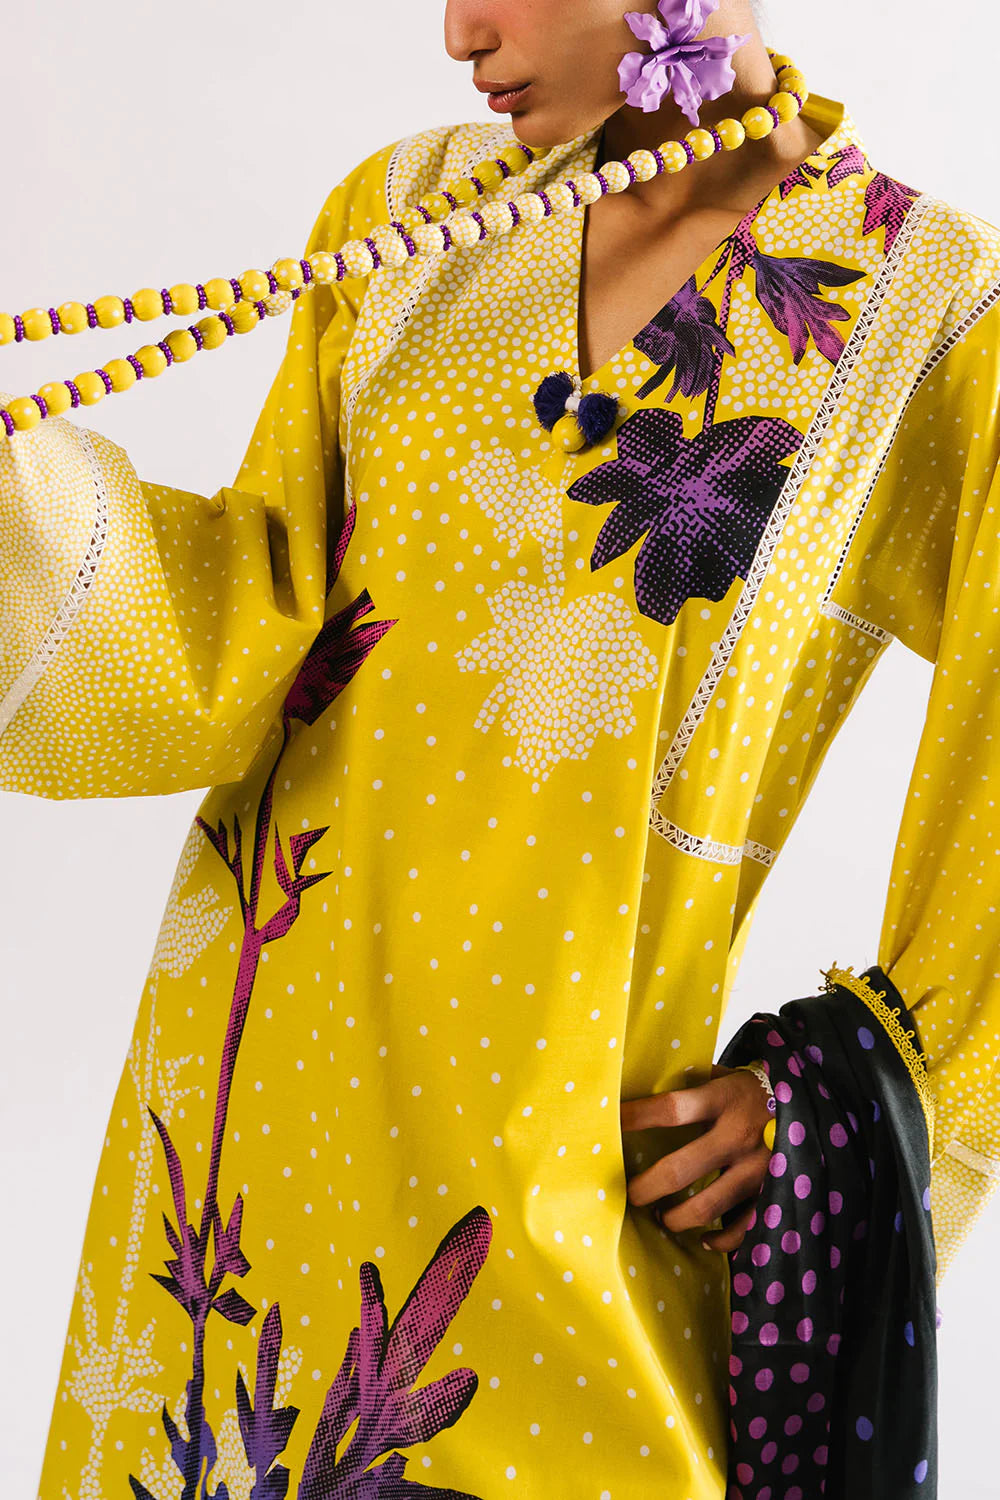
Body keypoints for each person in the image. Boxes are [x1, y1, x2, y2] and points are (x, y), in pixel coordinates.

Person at [1, 0, 997, 1494]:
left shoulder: (928, 309)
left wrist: (874, 1080)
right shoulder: (411, 216)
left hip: (570, 1164)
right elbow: (241, 631)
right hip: (252, 1118)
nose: (460, 29)